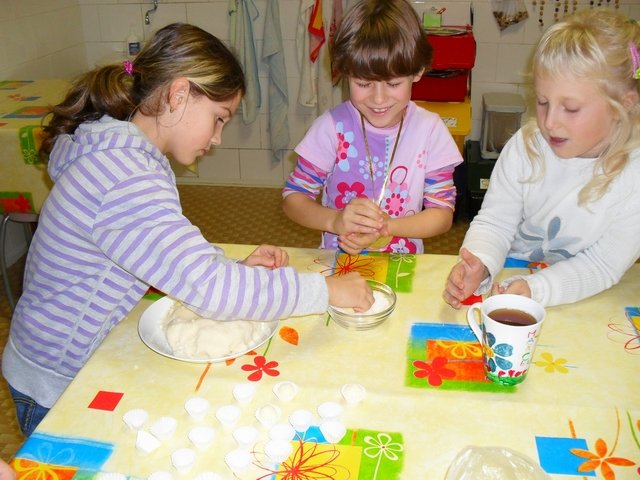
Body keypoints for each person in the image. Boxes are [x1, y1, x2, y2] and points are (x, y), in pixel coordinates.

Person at [2, 23, 373, 438]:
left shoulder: (122, 153)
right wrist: (324, 291)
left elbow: (169, 248)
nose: (217, 139)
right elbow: (210, 289)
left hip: (68, 356)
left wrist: (233, 269)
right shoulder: (124, 176)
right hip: (59, 379)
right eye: (218, 119)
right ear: (179, 95)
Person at [443, 8, 640, 309]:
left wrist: (537, 288)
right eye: (543, 102)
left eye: (571, 109)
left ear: (622, 106)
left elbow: (603, 264)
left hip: (585, 293)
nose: (549, 122)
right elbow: (496, 222)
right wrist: (480, 263)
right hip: (513, 274)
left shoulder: (633, 175)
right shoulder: (527, 147)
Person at [282, 0, 463, 255]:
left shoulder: (430, 131)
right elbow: (294, 199)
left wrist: (386, 227)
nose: (378, 99)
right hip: (338, 262)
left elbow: (442, 214)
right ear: (345, 72)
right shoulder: (331, 128)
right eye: (364, 84)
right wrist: (334, 221)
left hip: (402, 265)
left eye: (393, 84)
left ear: (417, 71)